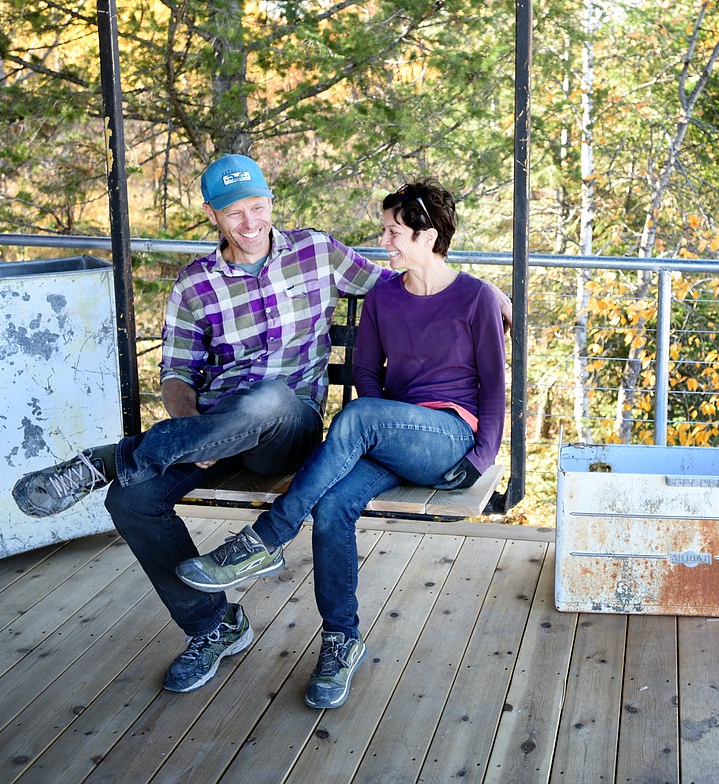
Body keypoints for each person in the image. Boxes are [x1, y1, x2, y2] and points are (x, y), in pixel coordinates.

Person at [10, 154, 396, 694]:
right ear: (213, 215)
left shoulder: (316, 250)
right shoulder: (195, 284)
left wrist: (482, 294)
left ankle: (108, 459)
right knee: (129, 501)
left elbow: (404, 288)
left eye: (258, 208)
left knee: (267, 399)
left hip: (289, 427)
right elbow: (175, 373)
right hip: (212, 429)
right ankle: (214, 626)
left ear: (271, 202)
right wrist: (193, 429)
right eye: (235, 213)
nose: (250, 223)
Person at [174, 179, 507, 709]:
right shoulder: (383, 296)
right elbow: (367, 373)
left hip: (447, 436)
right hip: (386, 435)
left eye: (394, 232)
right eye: (385, 230)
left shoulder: (476, 298)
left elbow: (494, 383)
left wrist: (482, 457)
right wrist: (373, 430)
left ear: (428, 234)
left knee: (359, 415)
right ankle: (341, 639)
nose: (385, 242)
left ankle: (266, 538)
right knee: (332, 506)